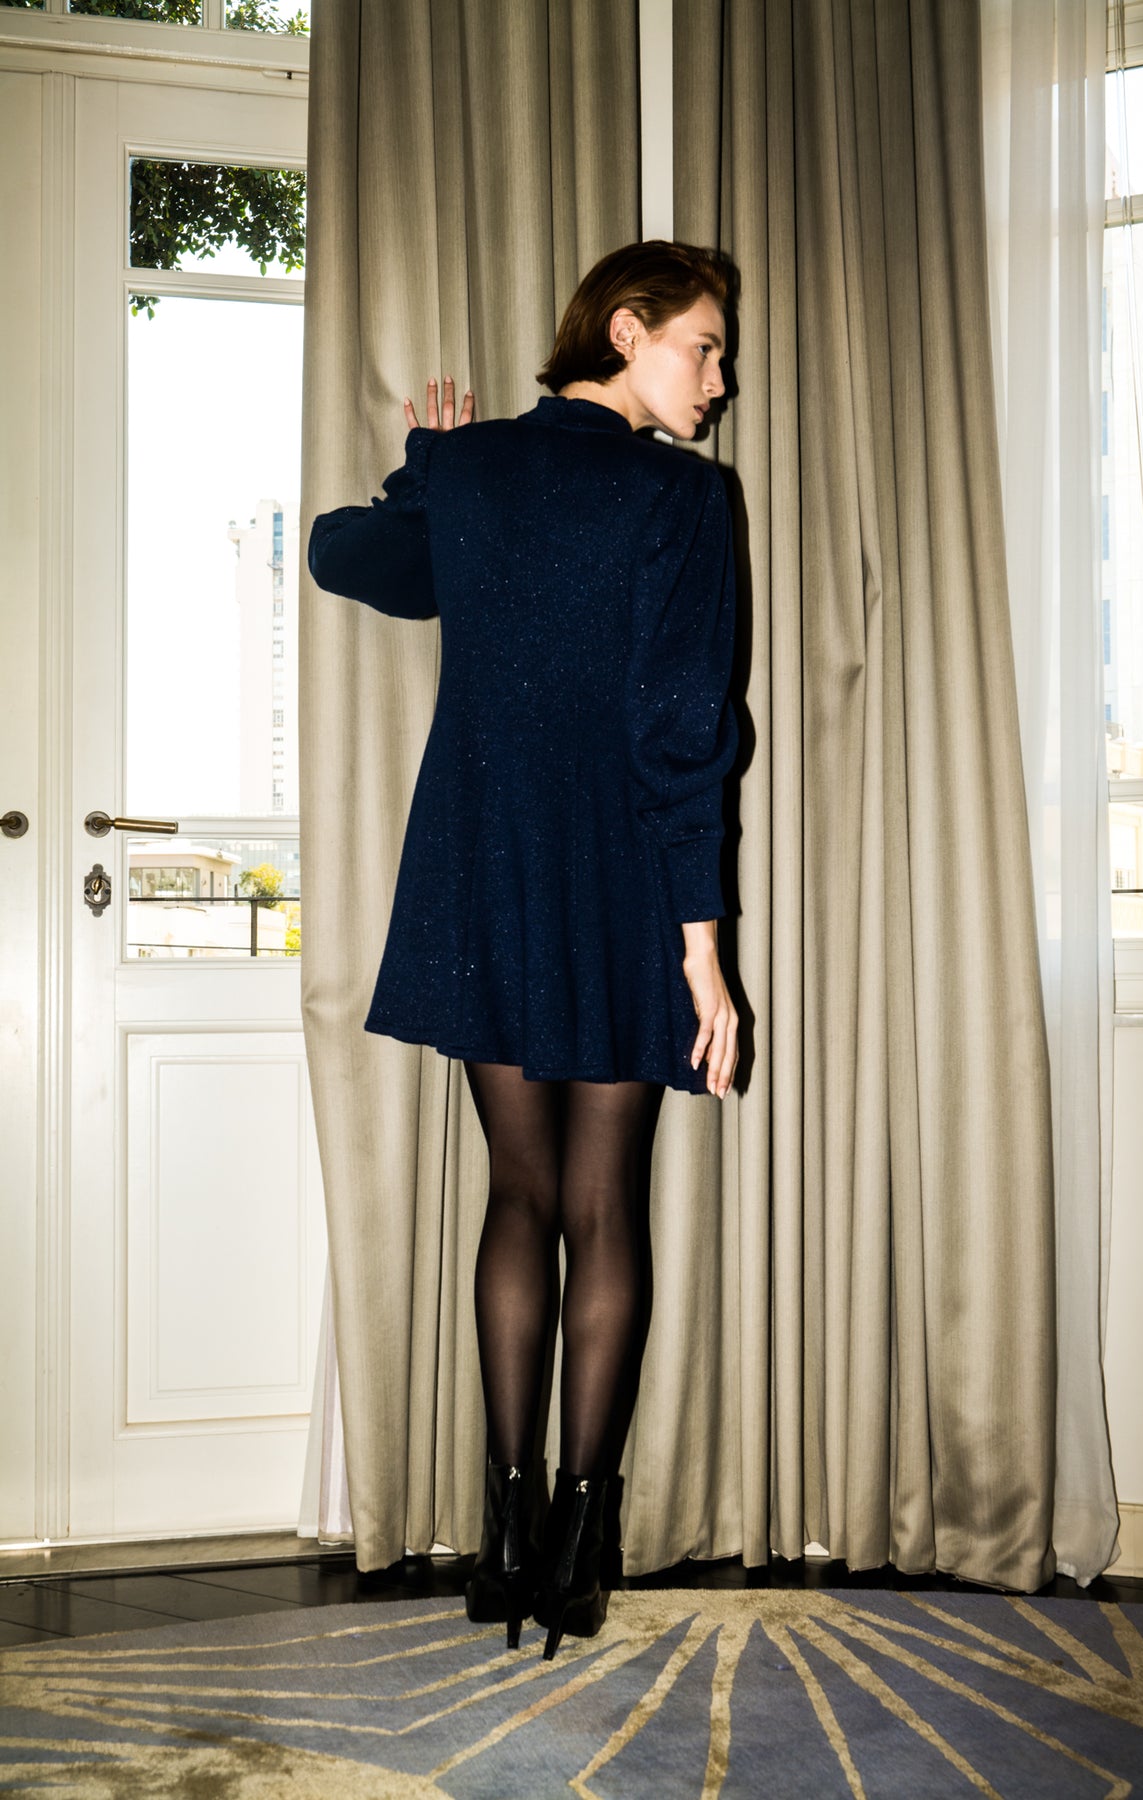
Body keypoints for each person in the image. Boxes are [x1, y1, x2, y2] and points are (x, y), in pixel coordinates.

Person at [307, 240, 741, 1660]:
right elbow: (684, 733)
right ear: (627, 332)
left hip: (484, 864)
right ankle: (578, 1539)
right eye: (702, 346)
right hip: (617, 876)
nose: (718, 379)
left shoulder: (476, 466)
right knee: (605, 1203)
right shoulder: (684, 500)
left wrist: (424, 474)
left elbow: (346, 556)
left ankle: (503, 1531)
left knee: (521, 1193)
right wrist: (702, 953)